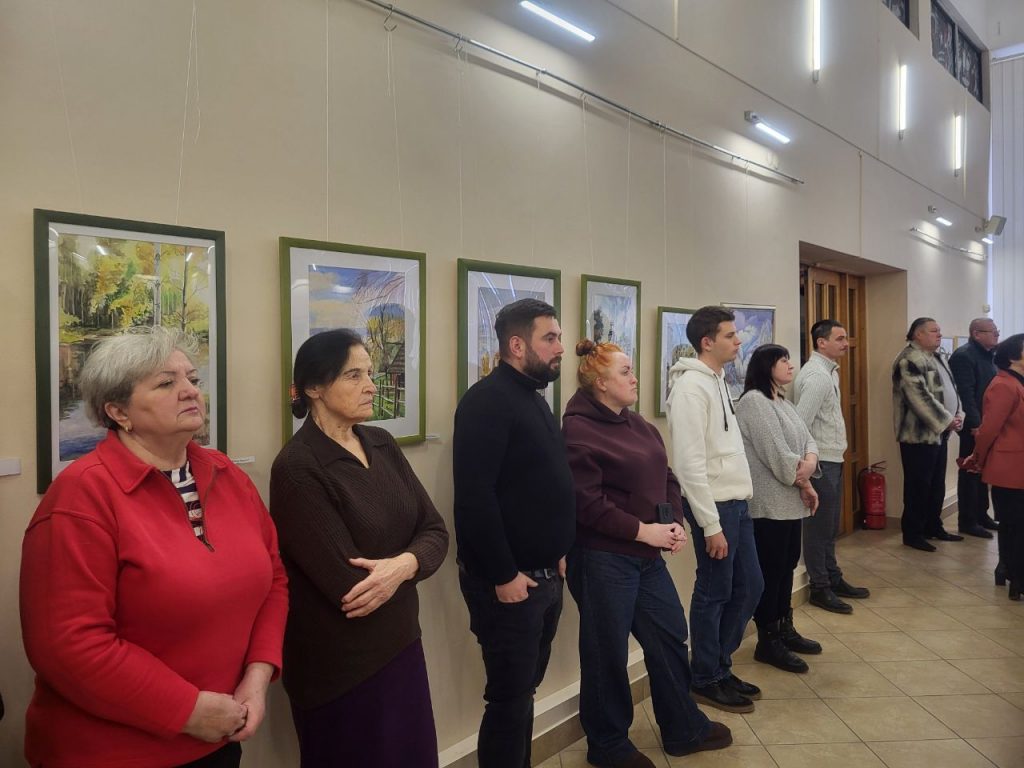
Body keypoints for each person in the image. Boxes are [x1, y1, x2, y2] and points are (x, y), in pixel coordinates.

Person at [20, 327, 288, 768]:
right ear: (118, 411)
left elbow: (273, 579)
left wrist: (257, 678)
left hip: (220, 737)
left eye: (193, 380)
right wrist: (188, 711)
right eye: (166, 383)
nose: (190, 391)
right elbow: (69, 646)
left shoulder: (227, 476)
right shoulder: (81, 496)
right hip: (114, 754)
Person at [270, 329, 449, 768]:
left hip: (402, 645)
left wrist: (403, 565)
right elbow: (351, 590)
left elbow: (435, 531)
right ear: (314, 387)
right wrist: (413, 561)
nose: (371, 385)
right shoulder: (297, 467)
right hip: (341, 669)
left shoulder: (382, 443)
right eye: (354, 375)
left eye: (370, 373)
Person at [562, 339, 732, 768]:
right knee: (606, 653)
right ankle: (607, 744)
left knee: (669, 634)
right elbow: (586, 504)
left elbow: (666, 475)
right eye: (625, 372)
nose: (635, 378)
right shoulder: (577, 431)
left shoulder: (636, 423)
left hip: (646, 556)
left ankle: (683, 727)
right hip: (603, 558)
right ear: (601, 383)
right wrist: (645, 531)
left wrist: (672, 522)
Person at [453, 298, 576, 768]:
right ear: (517, 345)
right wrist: (504, 575)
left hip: (543, 576)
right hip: (510, 584)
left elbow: (540, 485)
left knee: (523, 693)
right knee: (508, 701)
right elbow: (474, 499)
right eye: (551, 338)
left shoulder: (532, 397)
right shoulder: (487, 402)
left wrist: (558, 548)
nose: (560, 347)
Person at [666, 305, 764, 714]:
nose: (738, 340)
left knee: (750, 586)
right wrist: (710, 525)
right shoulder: (691, 388)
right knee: (714, 592)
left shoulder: (719, 380)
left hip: (737, 503)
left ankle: (719, 666)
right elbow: (688, 465)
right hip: (715, 509)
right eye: (729, 335)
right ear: (707, 342)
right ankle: (706, 676)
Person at [736, 345, 822, 674]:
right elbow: (777, 453)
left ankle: (785, 628)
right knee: (770, 573)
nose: (790, 365)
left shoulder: (783, 401)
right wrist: (805, 476)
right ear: (766, 366)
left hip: (790, 502)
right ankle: (768, 640)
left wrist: (809, 465)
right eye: (783, 360)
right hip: (767, 505)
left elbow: (808, 440)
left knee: (786, 567)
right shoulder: (753, 401)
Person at [793, 320, 870, 614]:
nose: (846, 343)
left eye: (846, 338)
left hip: (832, 459)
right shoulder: (817, 376)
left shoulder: (829, 372)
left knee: (829, 526)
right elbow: (800, 423)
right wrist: (810, 462)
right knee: (819, 527)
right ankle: (820, 586)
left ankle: (832, 577)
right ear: (821, 342)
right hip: (821, 462)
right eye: (839, 338)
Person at [891, 317, 964, 551]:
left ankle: (933, 526)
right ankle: (913, 533)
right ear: (918, 334)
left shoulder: (937, 357)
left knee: (936, 484)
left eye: (939, 331)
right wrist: (947, 420)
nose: (939, 334)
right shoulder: (908, 360)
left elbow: (952, 390)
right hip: (918, 435)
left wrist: (959, 414)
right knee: (918, 486)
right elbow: (919, 398)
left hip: (939, 433)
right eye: (934, 331)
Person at [965, 333, 1024, 601]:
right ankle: (1015, 575)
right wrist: (977, 457)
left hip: (1017, 464)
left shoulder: (1017, 382)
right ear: (1013, 357)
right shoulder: (1003, 384)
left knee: (1015, 523)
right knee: (1014, 523)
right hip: (1010, 466)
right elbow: (989, 429)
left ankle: (1007, 569)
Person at [950, 317, 1001, 538]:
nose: (996, 334)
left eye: (997, 331)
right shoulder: (964, 356)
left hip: (987, 424)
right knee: (970, 472)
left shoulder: (989, 356)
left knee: (983, 472)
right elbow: (966, 393)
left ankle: (982, 515)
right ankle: (968, 520)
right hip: (974, 426)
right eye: (992, 331)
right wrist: (975, 424)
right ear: (976, 334)